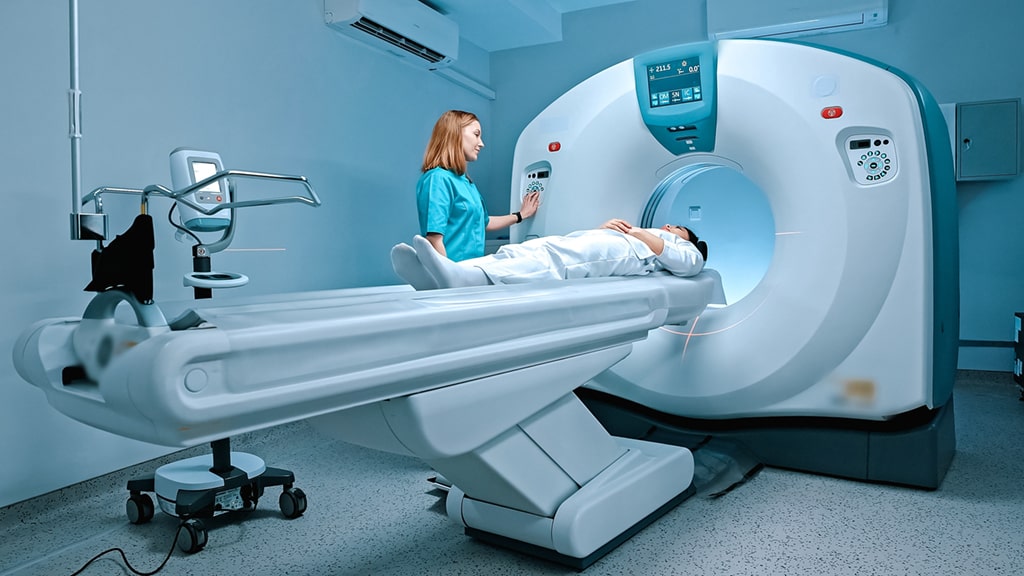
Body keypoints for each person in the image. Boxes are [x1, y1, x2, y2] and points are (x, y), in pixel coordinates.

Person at [392, 218, 708, 290]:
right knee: (527, 249)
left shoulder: (685, 249)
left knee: (550, 262)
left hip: (625, 253)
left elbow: (689, 266)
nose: (669, 224)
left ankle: (463, 280)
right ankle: (443, 271)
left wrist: (640, 234)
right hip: (602, 242)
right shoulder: (647, 232)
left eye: (678, 227)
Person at [417, 110, 540, 261]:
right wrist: (450, 278)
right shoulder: (438, 179)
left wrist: (520, 215)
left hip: (469, 271)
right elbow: (434, 240)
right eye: (476, 134)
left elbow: (483, 222)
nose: (481, 143)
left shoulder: (465, 181)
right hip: (453, 272)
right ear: (454, 134)